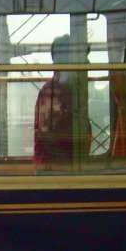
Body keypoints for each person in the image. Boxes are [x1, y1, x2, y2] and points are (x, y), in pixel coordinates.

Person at [33, 34, 90, 168]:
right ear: (64, 59)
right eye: (81, 56)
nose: (87, 62)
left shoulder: (69, 90)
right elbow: (47, 138)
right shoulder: (51, 93)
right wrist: (70, 168)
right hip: (54, 171)